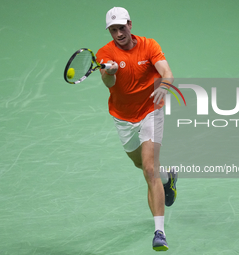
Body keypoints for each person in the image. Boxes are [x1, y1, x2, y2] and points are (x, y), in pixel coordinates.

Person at [96, 7, 178, 252]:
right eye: (113, 29)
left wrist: (164, 85)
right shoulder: (105, 54)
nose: (119, 33)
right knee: (140, 163)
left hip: (150, 111)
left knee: (149, 170)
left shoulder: (149, 45)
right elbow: (108, 83)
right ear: (110, 31)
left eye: (122, 27)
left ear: (130, 25)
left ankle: (159, 232)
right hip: (123, 118)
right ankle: (169, 177)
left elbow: (167, 72)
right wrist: (108, 73)